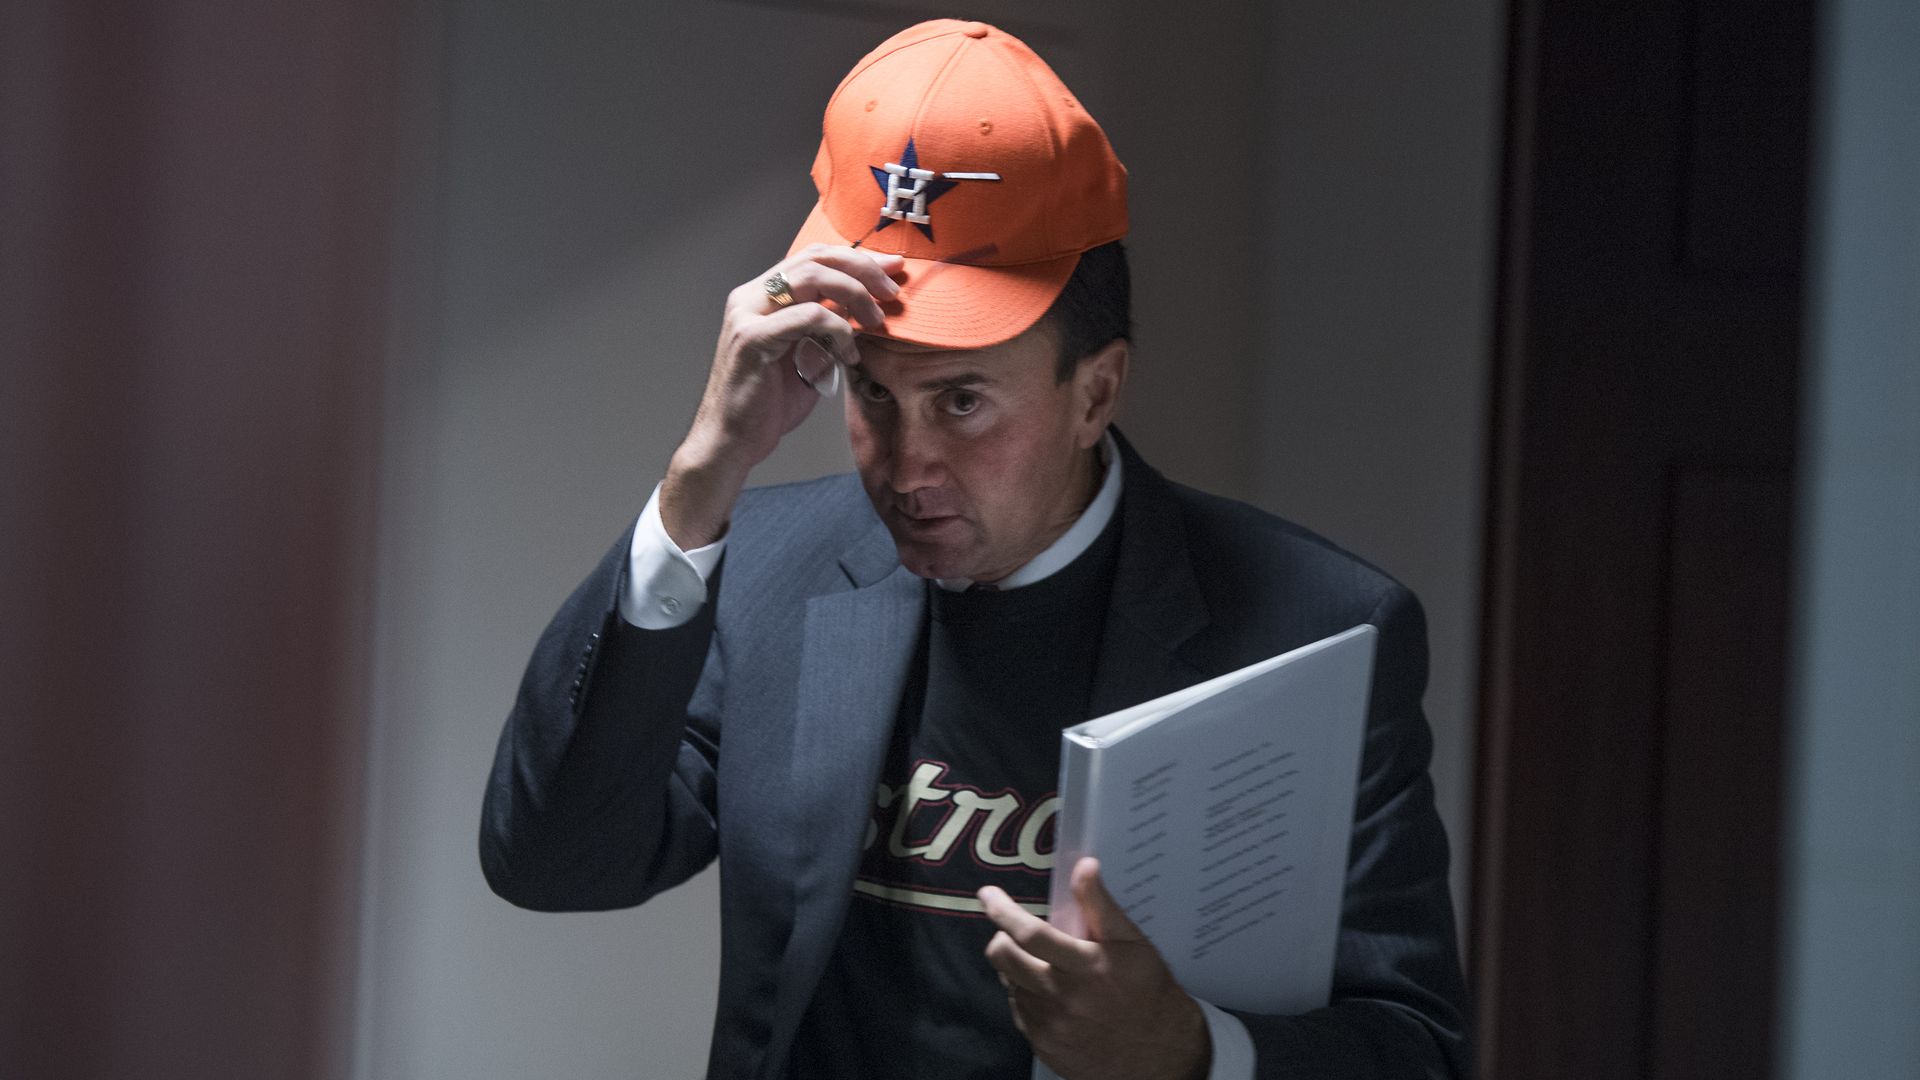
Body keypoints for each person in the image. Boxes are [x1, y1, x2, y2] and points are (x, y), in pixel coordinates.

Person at [482, 18, 1468, 1080]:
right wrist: (697, 484)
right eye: (871, 390)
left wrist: (1191, 1052)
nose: (908, 466)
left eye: (962, 401)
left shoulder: (1314, 628)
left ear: (1096, 390)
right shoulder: (765, 570)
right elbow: (556, 862)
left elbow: (1414, 1049)